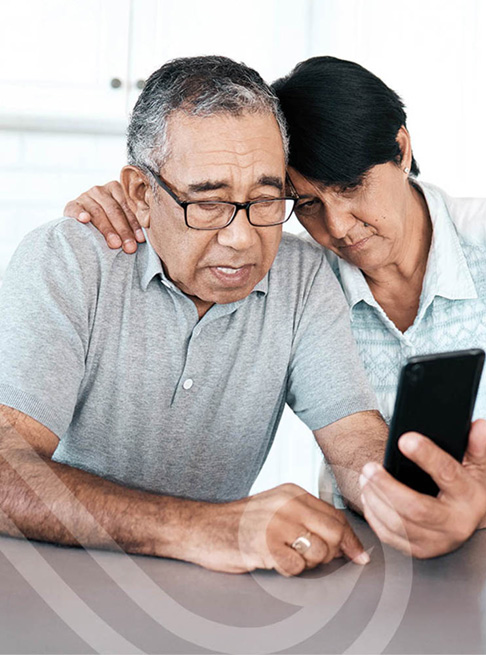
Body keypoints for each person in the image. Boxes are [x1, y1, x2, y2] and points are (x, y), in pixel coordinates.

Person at [69, 55, 486, 559]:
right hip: (384, 552)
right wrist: (137, 205)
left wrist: (483, 501)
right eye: (308, 204)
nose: (340, 227)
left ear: (401, 149)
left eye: (353, 187)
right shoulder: (295, 269)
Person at [0, 56, 397, 577]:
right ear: (142, 194)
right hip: (58, 584)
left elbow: (354, 441)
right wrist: (204, 526)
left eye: (264, 197)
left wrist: (403, 491)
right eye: (208, 204)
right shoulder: (67, 260)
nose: (241, 239)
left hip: (209, 592)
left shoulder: (301, 276)